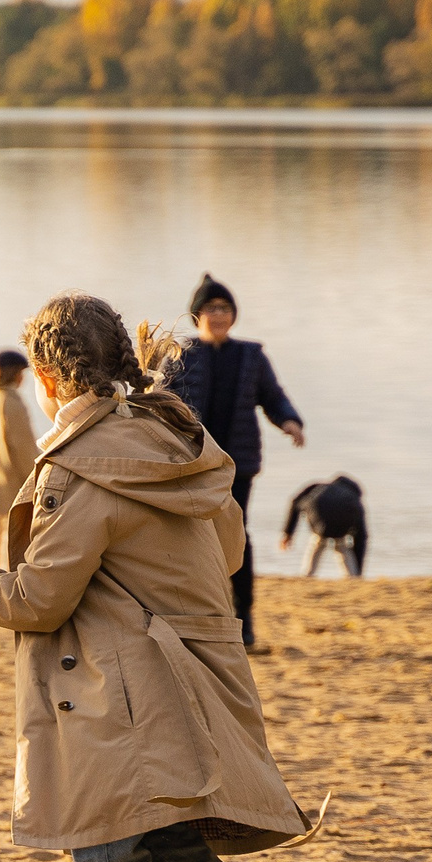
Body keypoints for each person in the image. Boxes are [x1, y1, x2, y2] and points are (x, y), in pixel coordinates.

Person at [0, 293, 315, 862]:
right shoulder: (180, 436)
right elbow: (230, 554)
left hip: (129, 686)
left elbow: (41, 598)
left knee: (102, 849)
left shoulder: (81, 467)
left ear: (47, 375)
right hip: (202, 666)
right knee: (158, 835)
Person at [167, 275, 303, 653]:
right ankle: (198, 620)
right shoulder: (181, 355)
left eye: (224, 308)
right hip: (192, 465)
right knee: (191, 539)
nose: (218, 314)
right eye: (211, 308)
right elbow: (161, 403)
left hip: (237, 465)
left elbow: (274, 398)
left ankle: (244, 622)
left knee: (237, 537)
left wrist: (290, 421)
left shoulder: (251, 356)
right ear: (197, 315)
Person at [0, 348, 37, 565]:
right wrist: (37, 479)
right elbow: (24, 448)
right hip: (14, 480)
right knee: (12, 535)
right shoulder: (12, 402)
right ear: (15, 373)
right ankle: (4, 578)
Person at [282, 476, 368, 578]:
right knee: (341, 545)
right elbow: (361, 538)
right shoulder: (354, 500)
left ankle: (307, 574)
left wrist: (288, 533)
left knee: (317, 542)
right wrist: (359, 572)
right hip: (341, 527)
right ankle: (353, 577)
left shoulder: (317, 487)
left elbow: (296, 502)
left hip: (318, 523)